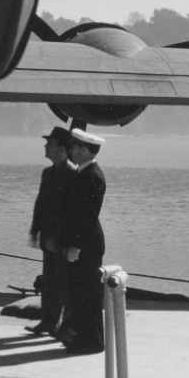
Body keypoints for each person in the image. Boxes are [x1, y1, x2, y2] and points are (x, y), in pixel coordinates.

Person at [60, 127, 108, 354]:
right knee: (80, 294)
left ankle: (92, 341)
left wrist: (76, 246)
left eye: (75, 147)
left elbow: (88, 216)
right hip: (83, 242)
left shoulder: (92, 176)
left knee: (87, 294)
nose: (71, 151)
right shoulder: (84, 173)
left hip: (86, 244)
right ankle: (84, 337)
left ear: (85, 150)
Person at [25, 126, 75, 337]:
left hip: (63, 241)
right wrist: (35, 230)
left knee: (67, 285)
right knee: (50, 282)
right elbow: (41, 203)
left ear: (62, 149)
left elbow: (73, 212)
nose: (45, 147)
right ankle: (48, 322)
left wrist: (66, 240)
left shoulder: (73, 174)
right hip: (48, 238)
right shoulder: (48, 173)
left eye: (50, 144)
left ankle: (67, 326)